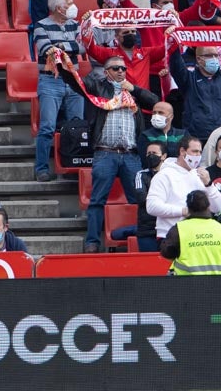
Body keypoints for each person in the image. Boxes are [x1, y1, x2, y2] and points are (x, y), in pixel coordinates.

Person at [57, 51, 160, 252]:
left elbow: (155, 101)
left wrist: (135, 89)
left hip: (131, 155)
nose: (121, 71)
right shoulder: (98, 87)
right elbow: (76, 82)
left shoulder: (131, 92)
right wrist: (62, 62)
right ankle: (93, 242)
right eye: (116, 68)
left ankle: (139, 237)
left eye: (123, 68)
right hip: (105, 153)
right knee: (97, 200)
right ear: (106, 72)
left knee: (139, 199)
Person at [31, 0, 83, 182]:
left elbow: (83, 47)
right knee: (47, 127)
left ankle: (75, 164)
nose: (72, 6)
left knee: (78, 125)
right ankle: (42, 168)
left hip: (74, 80)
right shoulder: (41, 25)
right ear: (58, 8)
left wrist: (61, 46)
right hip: (50, 81)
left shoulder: (75, 25)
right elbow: (46, 49)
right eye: (68, 3)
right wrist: (67, 46)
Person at [146, 136, 221, 242]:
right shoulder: (164, 175)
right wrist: (183, 211)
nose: (198, 156)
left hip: (198, 236)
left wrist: (209, 185)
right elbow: (152, 207)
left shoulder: (199, 176)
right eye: (194, 151)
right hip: (171, 236)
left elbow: (218, 207)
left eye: (200, 152)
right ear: (182, 151)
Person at [160, 190, 221, 275]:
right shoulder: (219, 227)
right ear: (208, 206)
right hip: (218, 283)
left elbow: (167, 252)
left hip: (187, 283)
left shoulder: (179, 228)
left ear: (188, 208)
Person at [133, 143, 168, 253]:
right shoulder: (141, 175)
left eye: (154, 153)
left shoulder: (170, 175)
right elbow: (141, 197)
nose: (151, 156)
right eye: (148, 153)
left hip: (168, 229)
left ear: (163, 156)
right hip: (147, 230)